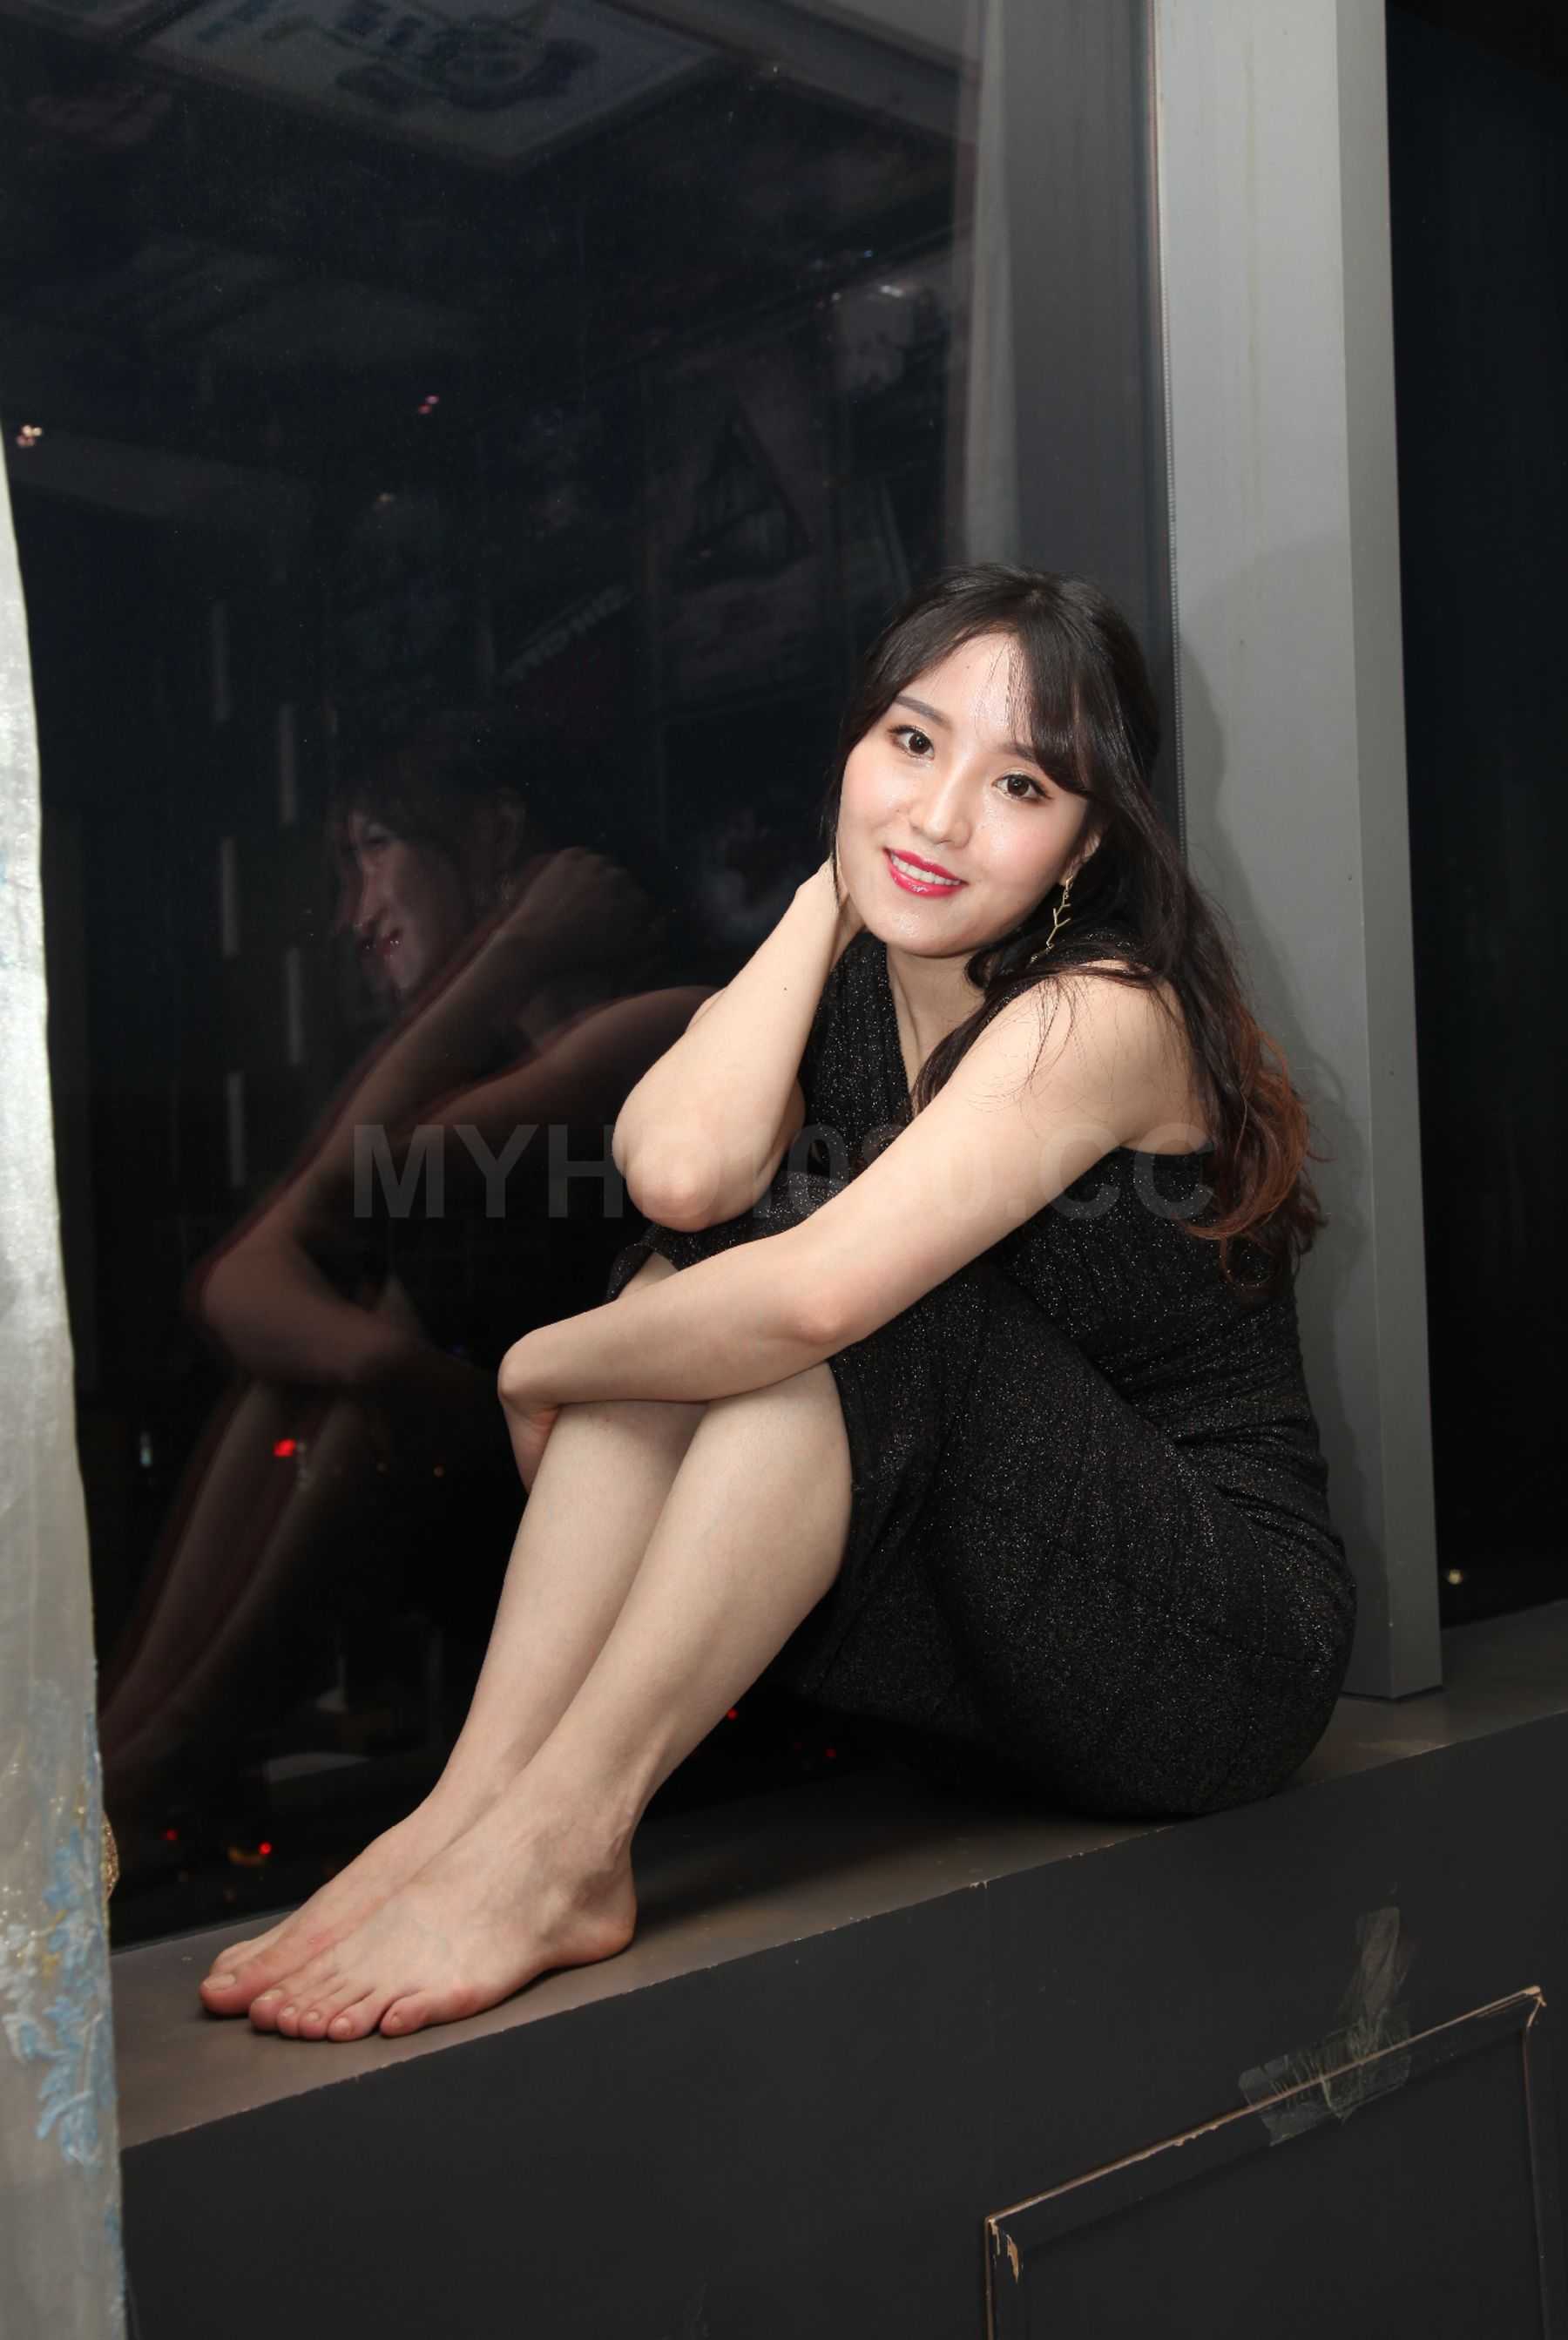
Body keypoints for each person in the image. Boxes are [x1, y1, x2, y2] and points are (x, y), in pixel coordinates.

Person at [198, 565, 1355, 2045]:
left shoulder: (1101, 1010)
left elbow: (819, 1299)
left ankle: (563, 1845)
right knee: (697, 1274)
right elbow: (681, 1172)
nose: (939, 816)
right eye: (911, 742)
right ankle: (470, 1812)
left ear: (1086, 845)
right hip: (998, 1642)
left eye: (1019, 784)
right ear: (853, 746)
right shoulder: (856, 971)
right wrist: (828, 898)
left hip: (1208, 1649)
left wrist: (540, 1364)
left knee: (847, 1306)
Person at [98, 710, 709, 1828]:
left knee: (366, 1365)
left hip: (622, 1530)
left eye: (376, 849)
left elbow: (355, 1185)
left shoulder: (663, 1024)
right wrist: (400, 1368)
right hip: (500, 1464)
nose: (354, 911)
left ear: (498, 838)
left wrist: (506, 953)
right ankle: (134, 1742)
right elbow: (246, 1284)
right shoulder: (510, 1068)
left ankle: (171, 1753)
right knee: (327, 1360)